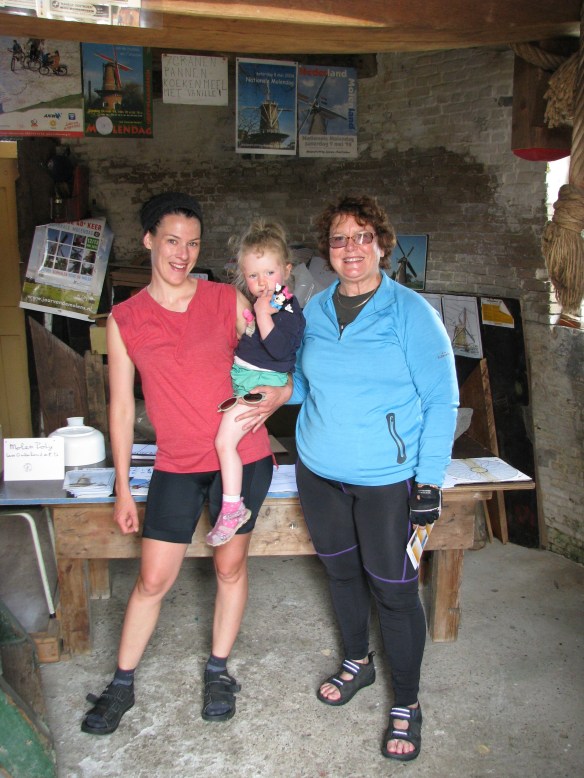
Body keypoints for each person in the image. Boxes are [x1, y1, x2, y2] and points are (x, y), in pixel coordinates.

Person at [81, 192, 285, 735]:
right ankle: (121, 683)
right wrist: (123, 487)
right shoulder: (124, 319)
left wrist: (278, 394)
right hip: (174, 463)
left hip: (240, 456)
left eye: (192, 243)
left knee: (228, 566)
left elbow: (276, 354)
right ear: (149, 240)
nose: (183, 253)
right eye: (172, 240)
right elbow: (121, 407)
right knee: (152, 578)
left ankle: (218, 671)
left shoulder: (225, 299)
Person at [289, 194, 459, 761]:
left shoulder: (411, 312)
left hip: (388, 481)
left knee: (393, 590)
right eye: (340, 239)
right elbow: (303, 387)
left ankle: (407, 702)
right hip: (318, 474)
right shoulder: (313, 312)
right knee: (341, 577)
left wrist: (429, 481)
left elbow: (442, 400)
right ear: (327, 251)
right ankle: (357, 662)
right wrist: (262, 396)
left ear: (382, 245)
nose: (352, 248)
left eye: (363, 237)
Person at [208, 219, 305, 547]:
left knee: (224, 442)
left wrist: (262, 316)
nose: (262, 282)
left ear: (286, 270)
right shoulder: (260, 302)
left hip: (260, 384)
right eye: (253, 275)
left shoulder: (288, 309)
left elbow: (280, 350)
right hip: (246, 379)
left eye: (269, 273)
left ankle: (233, 507)